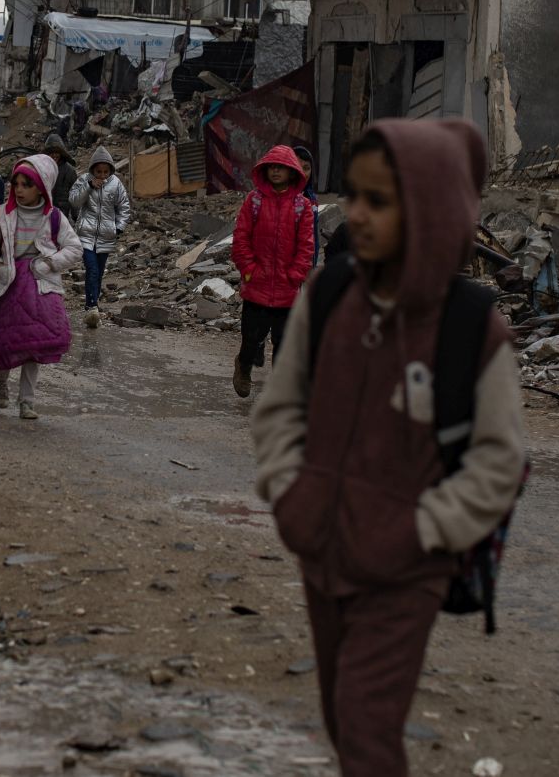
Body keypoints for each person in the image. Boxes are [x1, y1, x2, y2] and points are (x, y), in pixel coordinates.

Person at [250, 120, 526, 777]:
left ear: (430, 208)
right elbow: (280, 405)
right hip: (322, 549)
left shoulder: (470, 328)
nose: (359, 215)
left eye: (381, 201)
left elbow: (499, 460)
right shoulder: (331, 293)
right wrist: (289, 490)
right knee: (345, 720)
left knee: (368, 725)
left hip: (406, 570)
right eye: (356, 196)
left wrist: (425, 529)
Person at [0, 154, 82, 419]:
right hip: (9, 285)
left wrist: (49, 263)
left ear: (42, 186)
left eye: (27, 184)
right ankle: (0, 379)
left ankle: (27, 400)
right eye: (17, 184)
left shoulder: (54, 217)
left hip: (40, 285)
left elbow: (74, 248)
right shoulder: (3, 215)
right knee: (7, 341)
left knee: (34, 344)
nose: (20, 190)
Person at [230, 145, 315, 398]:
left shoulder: (302, 207)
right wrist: (249, 269)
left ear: (292, 172)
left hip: (286, 289)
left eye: (282, 167)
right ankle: (243, 367)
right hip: (256, 284)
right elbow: (241, 238)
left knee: (283, 342)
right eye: (272, 167)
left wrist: (295, 275)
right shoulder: (254, 201)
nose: (276, 171)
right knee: (250, 339)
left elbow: (306, 247)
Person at [68, 144, 131, 328]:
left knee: (99, 272)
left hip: (106, 236)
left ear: (110, 170)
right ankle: (92, 307)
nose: (102, 175)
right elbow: (74, 200)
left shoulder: (116, 184)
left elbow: (124, 207)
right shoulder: (83, 180)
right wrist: (88, 186)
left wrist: (118, 227)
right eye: (98, 171)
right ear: (92, 170)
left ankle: (93, 304)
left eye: (105, 171)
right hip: (86, 234)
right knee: (92, 269)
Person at [293, 144, 323, 268]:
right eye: (297, 167)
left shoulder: (312, 200)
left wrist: (313, 263)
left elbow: (314, 236)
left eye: (306, 168)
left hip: (303, 264)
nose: (302, 173)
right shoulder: (279, 197)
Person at [44, 134, 79, 219]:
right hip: (44, 212)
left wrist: (76, 216)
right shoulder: (42, 168)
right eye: (51, 153)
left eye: (57, 152)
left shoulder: (69, 171)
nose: (54, 155)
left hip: (62, 213)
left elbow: (74, 194)